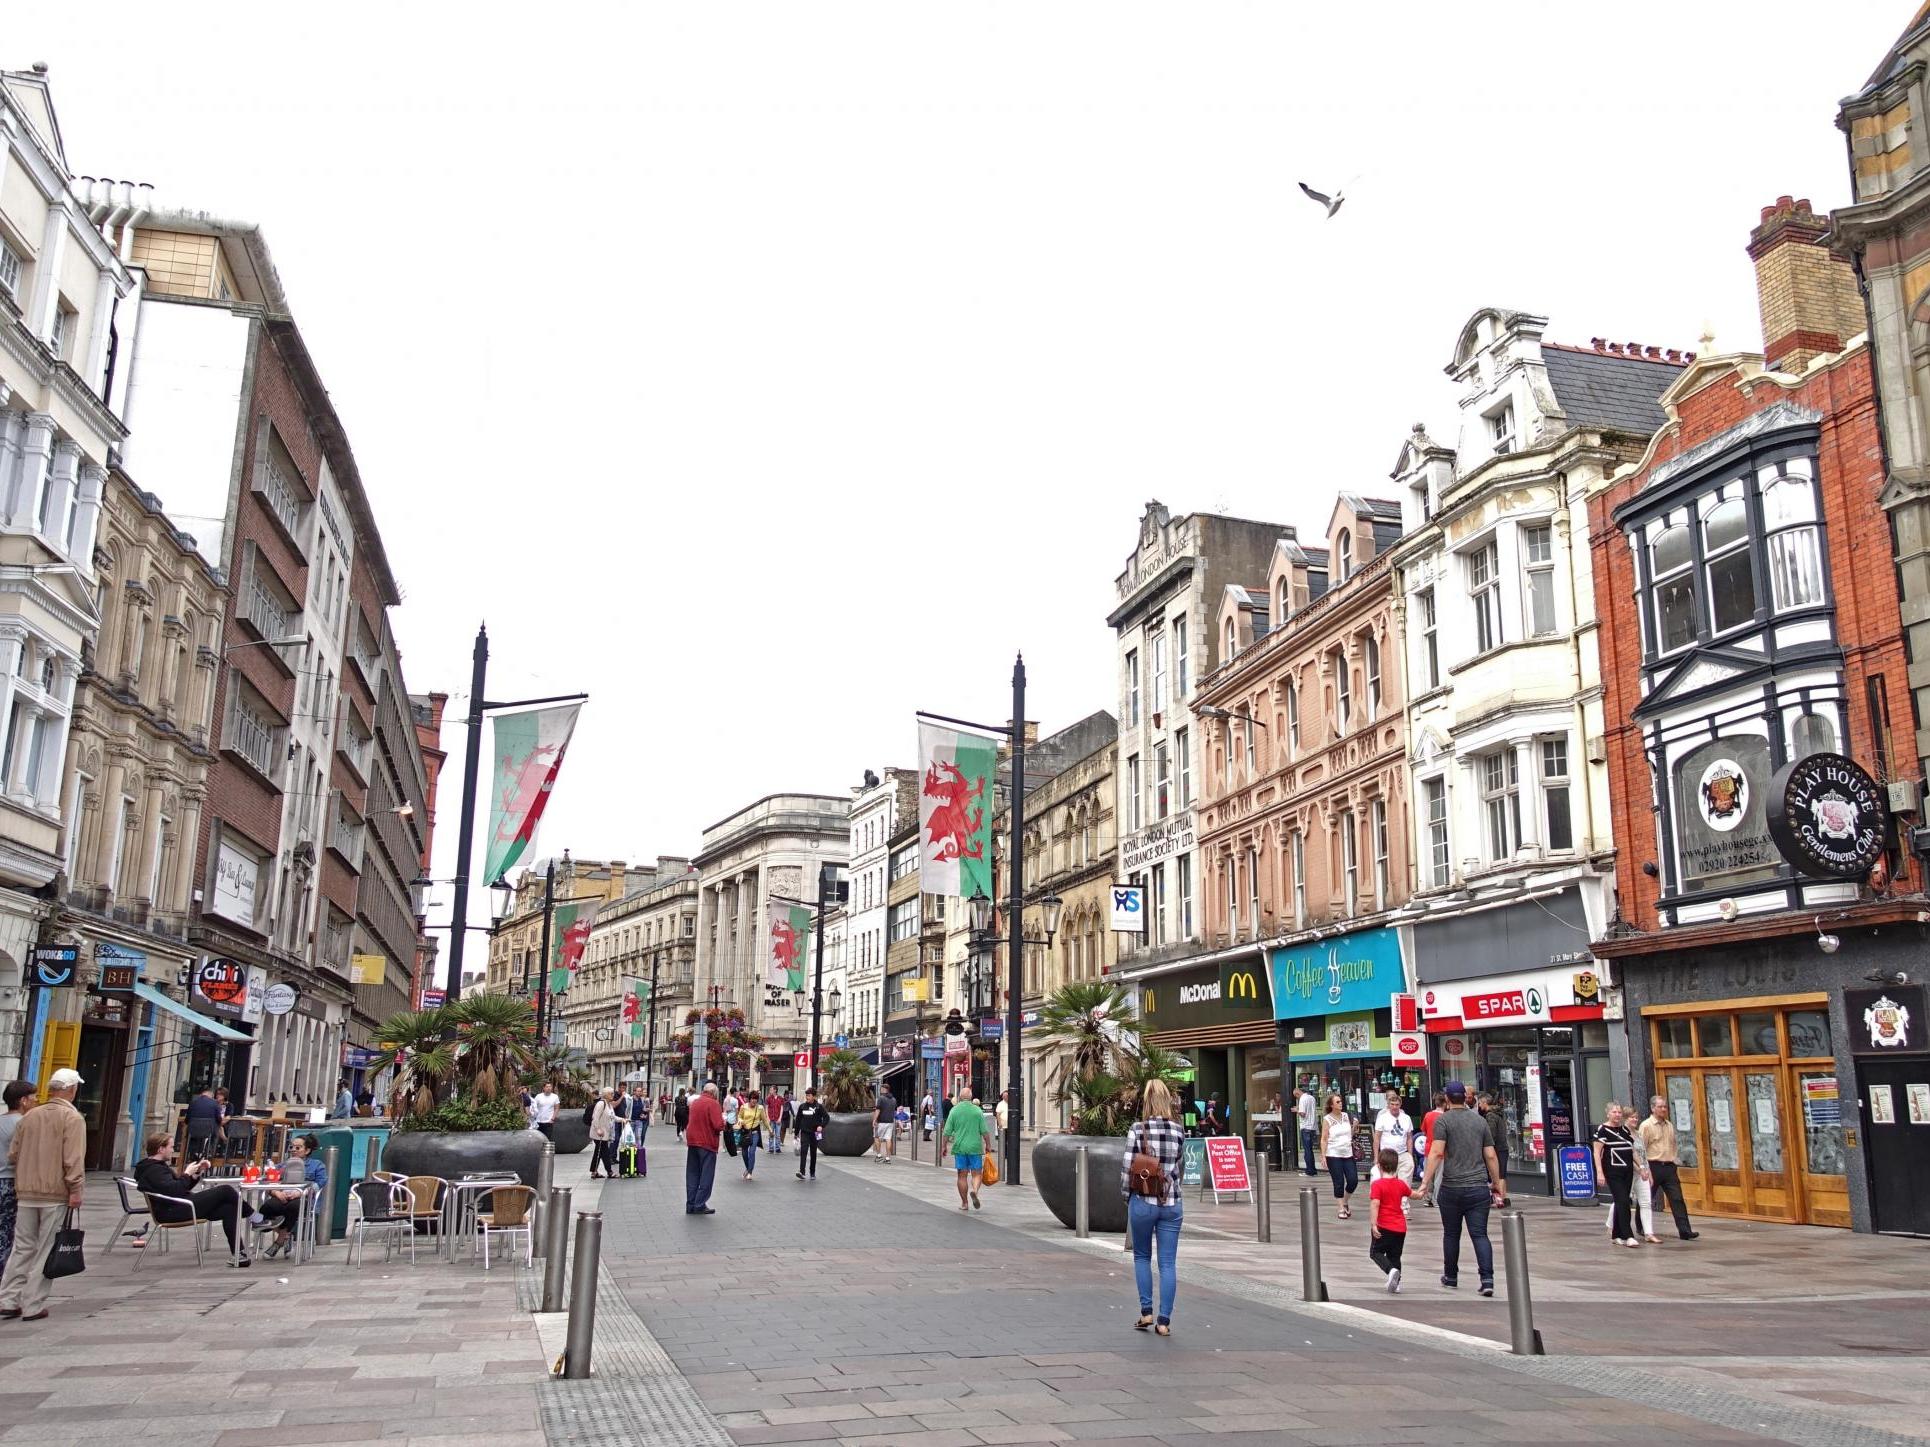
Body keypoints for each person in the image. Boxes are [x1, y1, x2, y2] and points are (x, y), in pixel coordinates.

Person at [0, 1067, 85, 1321]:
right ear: (71, 1090)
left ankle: (7, 1298)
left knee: (22, 1247)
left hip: (26, 1190)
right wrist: (76, 1188)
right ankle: (33, 1304)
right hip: (54, 1192)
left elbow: (13, 1154)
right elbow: (73, 1159)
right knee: (46, 1247)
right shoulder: (72, 1118)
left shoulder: (30, 1116)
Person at [1419, 1080, 1505, 1296]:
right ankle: (1487, 1279)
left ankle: (1451, 1276)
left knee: (1451, 1233)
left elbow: (1437, 1153)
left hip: (1452, 1186)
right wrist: (1496, 1182)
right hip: (1477, 1187)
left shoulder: (1443, 1121)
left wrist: (1425, 1182)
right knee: (1480, 1234)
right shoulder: (1479, 1121)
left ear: (1447, 1099)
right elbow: (1491, 1155)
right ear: (1465, 1098)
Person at [1121, 1078, 1186, 1337]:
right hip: (1171, 1203)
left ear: (1146, 1101)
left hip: (1143, 1201)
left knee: (1142, 1256)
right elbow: (1179, 1169)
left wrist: (1128, 1197)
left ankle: (1146, 1311)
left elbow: (1127, 1168)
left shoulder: (1138, 1129)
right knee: (1168, 1262)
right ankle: (1164, 1321)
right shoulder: (1179, 1131)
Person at [135, 1132, 249, 1265]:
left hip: (179, 1205)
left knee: (229, 1209)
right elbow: (175, 1190)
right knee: (226, 1190)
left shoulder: (156, 1167)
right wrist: (186, 1173)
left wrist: (196, 1173)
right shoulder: (154, 1170)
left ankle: (239, 1255)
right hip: (172, 1211)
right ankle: (255, 1217)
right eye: (171, 1147)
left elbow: (181, 1187)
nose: (173, 1150)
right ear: (161, 1149)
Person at [248, 1132, 328, 1259]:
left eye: (298, 1148)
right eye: (291, 1147)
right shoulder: (282, 1165)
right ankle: (286, 1235)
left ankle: (279, 1241)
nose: (293, 1150)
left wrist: (301, 1192)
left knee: (294, 1207)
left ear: (307, 1150)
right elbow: (267, 1180)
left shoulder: (317, 1165)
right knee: (267, 1208)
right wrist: (276, 1192)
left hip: (302, 1198)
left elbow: (321, 1182)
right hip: (281, 1196)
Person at [1636, 1095, 1698, 1242]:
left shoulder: (1669, 1124)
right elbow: (1640, 1149)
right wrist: (1643, 1168)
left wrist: (1674, 1159)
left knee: (1677, 1199)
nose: (1664, 1109)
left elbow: (1673, 1144)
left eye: (1665, 1106)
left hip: (1669, 1166)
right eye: (1660, 1107)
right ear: (1653, 1108)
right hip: (1653, 1165)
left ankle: (1685, 1231)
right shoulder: (1646, 1126)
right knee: (1646, 1198)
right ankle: (1641, 1227)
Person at [1592, 1101, 1644, 1249]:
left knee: (1622, 1200)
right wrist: (1600, 1172)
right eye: (1614, 1112)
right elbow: (1597, 1152)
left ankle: (1616, 1235)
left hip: (1627, 1170)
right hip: (1613, 1171)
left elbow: (1632, 1150)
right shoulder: (1602, 1130)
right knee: (1623, 1201)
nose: (1617, 1115)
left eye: (1619, 1112)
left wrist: (1641, 1166)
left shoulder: (1624, 1130)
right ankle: (1628, 1235)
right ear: (1608, 1113)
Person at [1369, 1147, 1418, 1293]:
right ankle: (1396, 1284)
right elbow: (1413, 1194)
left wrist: (1373, 1224)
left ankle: (1390, 1271)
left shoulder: (1377, 1185)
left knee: (1375, 1252)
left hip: (1384, 1225)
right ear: (1397, 1166)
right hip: (1400, 1227)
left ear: (1379, 1166)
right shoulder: (1400, 1184)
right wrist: (1422, 1191)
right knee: (1395, 1255)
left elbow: (1375, 1204)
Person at [0, 1082, 34, 1272]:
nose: (35, 1101)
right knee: (6, 1232)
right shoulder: (22, 1124)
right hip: (10, 1181)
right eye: (33, 1097)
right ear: (23, 1100)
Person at [943, 1087, 988, 1211]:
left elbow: (946, 1132)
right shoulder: (977, 1110)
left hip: (960, 1147)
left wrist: (944, 1146)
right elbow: (984, 1131)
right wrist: (988, 1145)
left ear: (960, 1097)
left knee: (962, 1176)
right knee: (977, 1173)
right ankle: (975, 1191)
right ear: (971, 1097)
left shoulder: (954, 1111)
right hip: (975, 1147)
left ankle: (964, 1203)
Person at [683, 1083, 726, 1214]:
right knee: (706, 1175)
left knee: (692, 1173)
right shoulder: (713, 1104)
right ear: (714, 1093)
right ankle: (699, 1204)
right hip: (706, 1142)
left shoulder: (695, 1102)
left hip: (692, 1142)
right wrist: (724, 1121)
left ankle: (690, 1204)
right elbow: (718, 1125)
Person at [1320, 1093, 1359, 1220]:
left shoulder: (1346, 1116)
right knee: (1339, 1182)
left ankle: (1346, 1201)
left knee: (1353, 1180)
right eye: (1337, 1102)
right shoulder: (1327, 1119)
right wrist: (1323, 1155)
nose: (1340, 1103)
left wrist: (1354, 1128)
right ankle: (1341, 1207)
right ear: (1331, 1105)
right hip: (1333, 1154)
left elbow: (1350, 1135)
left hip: (1347, 1153)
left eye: (1341, 1101)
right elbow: (1324, 1139)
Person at [1373, 1089, 1416, 1185]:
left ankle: (1404, 1200)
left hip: (1403, 1153)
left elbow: (1409, 1137)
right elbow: (1377, 1139)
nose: (1394, 1107)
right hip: (1387, 1154)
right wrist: (1376, 1157)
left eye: (1396, 1105)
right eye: (1392, 1104)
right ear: (1388, 1105)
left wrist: (1410, 1154)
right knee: (1388, 1182)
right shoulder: (1382, 1118)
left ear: (1400, 1105)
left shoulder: (1406, 1118)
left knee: (1405, 1182)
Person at [1418, 1091, 1447, 1202]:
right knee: (1439, 1176)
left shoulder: (1428, 1115)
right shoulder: (1445, 1117)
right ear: (1444, 1103)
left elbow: (1424, 1131)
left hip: (1428, 1148)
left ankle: (1427, 1198)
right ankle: (1436, 1199)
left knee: (1428, 1175)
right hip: (1441, 1149)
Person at [793, 1087, 827, 1179]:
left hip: (815, 1133)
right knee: (803, 1151)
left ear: (814, 1096)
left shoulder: (819, 1107)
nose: (807, 1097)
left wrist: (821, 1126)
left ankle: (812, 1173)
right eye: (806, 1095)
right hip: (805, 1132)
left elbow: (827, 1118)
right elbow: (798, 1121)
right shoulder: (802, 1106)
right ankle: (802, 1172)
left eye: (809, 1095)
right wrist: (796, 1133)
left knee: (813, 1152)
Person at [1478, 1093, 1509, 1191]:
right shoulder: (1499, 1113)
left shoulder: (1490, 1115)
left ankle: (1499, 1198)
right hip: (1503, 1147)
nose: (1479, 1106)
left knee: (1496, 1174)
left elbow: (1491, 1135)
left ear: (1485, 1103)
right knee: (1502, 1175)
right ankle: (1503, 1197)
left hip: (1496, 1149)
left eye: (1480, 1103)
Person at [184, 1085, 222, 1158]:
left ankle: (192, 1153)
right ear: (211, 1094)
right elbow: (219, 1119)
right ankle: (208, 1152)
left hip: (193, 1130)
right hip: (209, 1130)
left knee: (192, 1135)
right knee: (215, 1133)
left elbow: (187, 1120)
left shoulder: (193, 1102)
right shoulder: (215, 1103)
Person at [589, 1089, 619, 1180]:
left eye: (613, 1093)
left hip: (605, 1133)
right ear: (605, 1095)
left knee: (598, 1152)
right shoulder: (601, 1104)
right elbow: (595, 1117)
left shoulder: (609, 1104)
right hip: (599, 1134)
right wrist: (598, 1129)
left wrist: (623, 1119)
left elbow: (613, 1117)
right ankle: (609, 1172)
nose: (612, 1095)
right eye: (611, 1093)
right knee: (605, 1152)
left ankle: (594, 1171)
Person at [737, 1092, 766, 1180]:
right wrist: (741, 1121)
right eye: (752, 1098)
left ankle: (749, 1171)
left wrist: (771, 1131)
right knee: (744, 1153)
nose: (754, 1100)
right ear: (749, 1099)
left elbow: (765, 1120)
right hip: (745, 1132)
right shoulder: (743, 1107)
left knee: (752, 1152)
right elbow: (739, 1117)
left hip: (755, 1132)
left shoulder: (760, 1108)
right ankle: (748, 1168)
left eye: (756, 1099)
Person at [1295, 1082, 1319, 1176]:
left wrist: (1296, 1110)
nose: (1296, 1098)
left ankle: (1309, 1171)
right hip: (1312, 1126)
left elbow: (1303, 1114)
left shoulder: (1302, 1099)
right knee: (1310, 1150)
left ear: (1297, 1093)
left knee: (1307, 1150)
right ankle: (1313, 1169)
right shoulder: (1312, 1098)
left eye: (1296, 1096)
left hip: (1305, 1127)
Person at [873, 1086, 897, 1163]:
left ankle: (879, 1155)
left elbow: (878, 1110)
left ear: (884, 1089)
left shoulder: (881, 1098)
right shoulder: (894, 1099)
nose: (880, 1090)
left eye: (881, 1089)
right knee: (888, 1139)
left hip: (881, 1122)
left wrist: (874, 1120)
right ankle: (888, 1158)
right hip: (890, 1122)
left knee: (877, 1137)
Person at [764, 1088, 785, 1153]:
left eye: (771, 1090)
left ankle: (778, 1148)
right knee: (771, 1133)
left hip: (777, 1118)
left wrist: (780, 1118)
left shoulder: (780, 1098)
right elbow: (766, 1108)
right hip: (771, 1118)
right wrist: (768, 1117)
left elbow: (781, 1109)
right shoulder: (768, 1098)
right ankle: (771, 1148)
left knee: (778, 1134)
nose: (770, 1091)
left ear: (775, 1090)